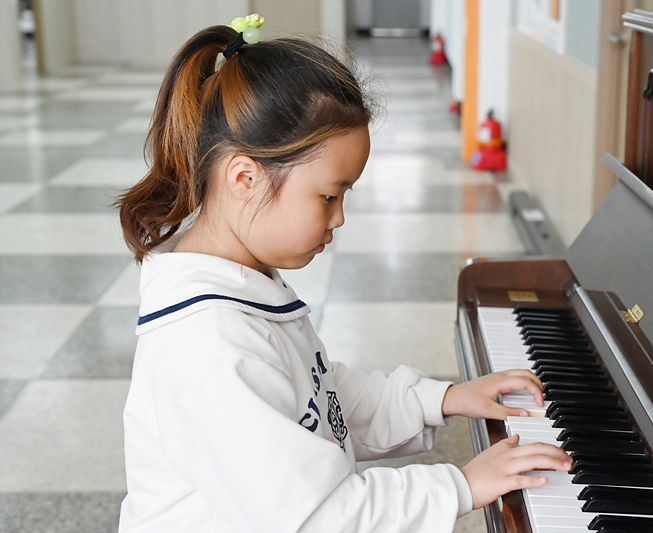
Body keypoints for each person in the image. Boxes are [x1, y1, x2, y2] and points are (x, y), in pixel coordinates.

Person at [116, 18, 572, 533]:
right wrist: (461, 485)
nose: (338, 218)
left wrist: (441, 399)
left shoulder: (239, 282)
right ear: (245, 178)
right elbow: (316, 518)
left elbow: (320, 398)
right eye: (329, 195)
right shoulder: (210, 345)